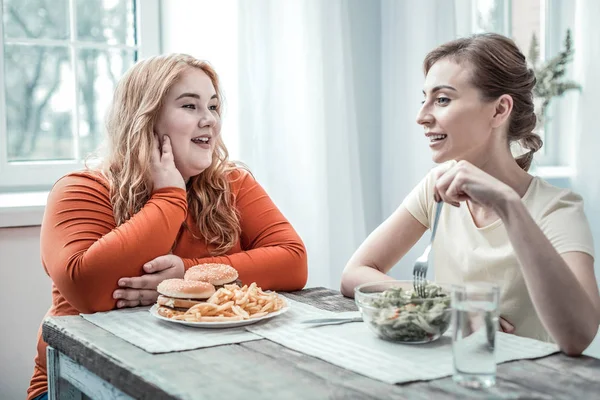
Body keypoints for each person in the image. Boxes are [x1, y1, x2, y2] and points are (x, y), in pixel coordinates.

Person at [28, 53, 308, 400]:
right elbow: (89, 289)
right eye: (190, 106)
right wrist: (170, 196)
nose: (210, 121)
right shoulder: (82, 189)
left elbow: (293, 262)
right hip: (80, 382)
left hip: (203, 377)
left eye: (214, 107)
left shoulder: (233, 183)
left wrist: (185, 275)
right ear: (145, 119)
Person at [341, 33, 599, 355]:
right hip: (448, 374)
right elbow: (354, 274)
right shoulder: (437, 187)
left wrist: (508, 205)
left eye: (443, 99)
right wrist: (450, 300)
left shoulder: (556, 209)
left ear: (499, 110)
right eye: (424, 99)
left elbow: (580, 336)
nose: (422, 116)